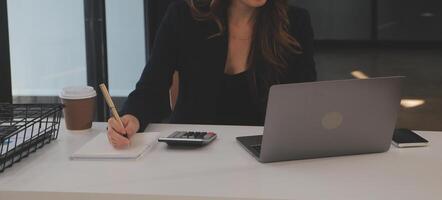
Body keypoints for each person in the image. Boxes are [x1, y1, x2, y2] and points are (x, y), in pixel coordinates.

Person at [107, 0, 316, 149]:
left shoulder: (295, 23)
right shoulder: (182, 16)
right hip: (192, 153)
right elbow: (151, 88)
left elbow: (307, 102)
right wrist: (131, 117)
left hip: (263, 156)